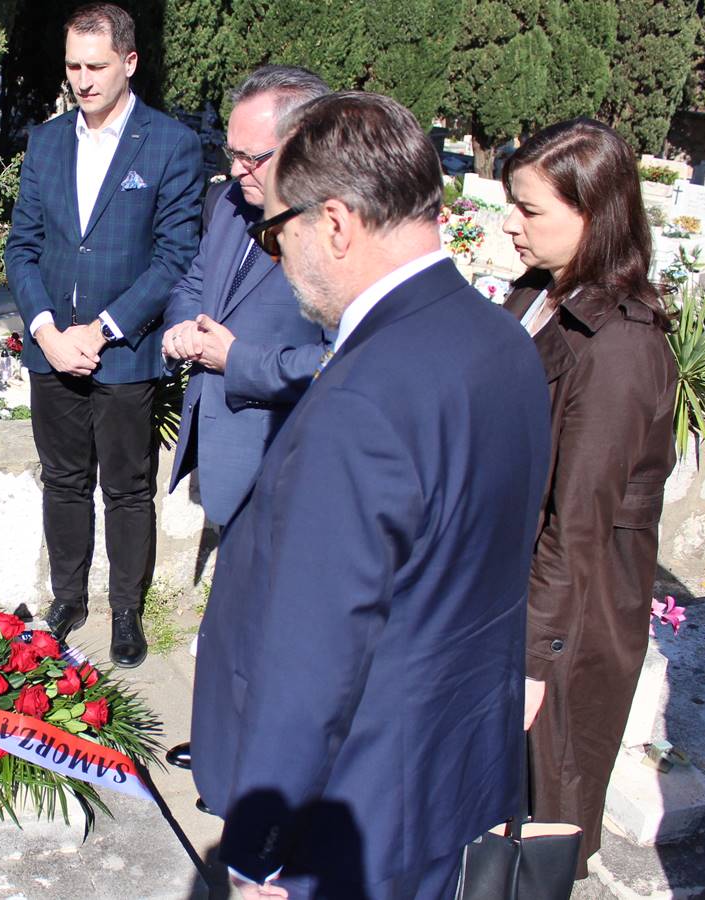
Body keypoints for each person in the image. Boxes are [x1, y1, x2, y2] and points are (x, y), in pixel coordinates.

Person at [189, 92, 551, 899]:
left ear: (335, 224)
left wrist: (256, 853)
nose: (277, 258)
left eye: (275, 233)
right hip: (454, 784)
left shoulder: (359, 397)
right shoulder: (504, 341)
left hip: (356, 818)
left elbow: (313, 661)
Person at [500, 118, 678, 881]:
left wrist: (534, 661)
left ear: (593, 214)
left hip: (568, 620)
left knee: (537, 823)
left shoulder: (622, 346)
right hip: (515, 594)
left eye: (530, 209)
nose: (510, 223)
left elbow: (578, 523)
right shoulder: (538, 294)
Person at [3, 2, 204, 668]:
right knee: (63, 482)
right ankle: (67, 601)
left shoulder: (170, 144)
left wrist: (103, 329)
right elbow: (23, 247)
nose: (83, 80)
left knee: (125, 487)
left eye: (96, 66)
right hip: (52, 351)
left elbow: (174, 256)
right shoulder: (47, 141)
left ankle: (125, 610)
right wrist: (46, 330)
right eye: (73, 66)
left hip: (125, 354)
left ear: (130, 62)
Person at [158, 65, 331, 775]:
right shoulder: (232, 202)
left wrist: (239, 360)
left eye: (251, 157)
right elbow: (198, 280)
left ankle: (254, 762)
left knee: (278, 626)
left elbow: (338, 359)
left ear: (304, 143)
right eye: (231, 153)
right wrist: (182, 327)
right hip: (230, 444)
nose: (236, 171)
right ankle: (223, 745)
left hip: (287, 451)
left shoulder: (332, 229)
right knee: (235, 611)